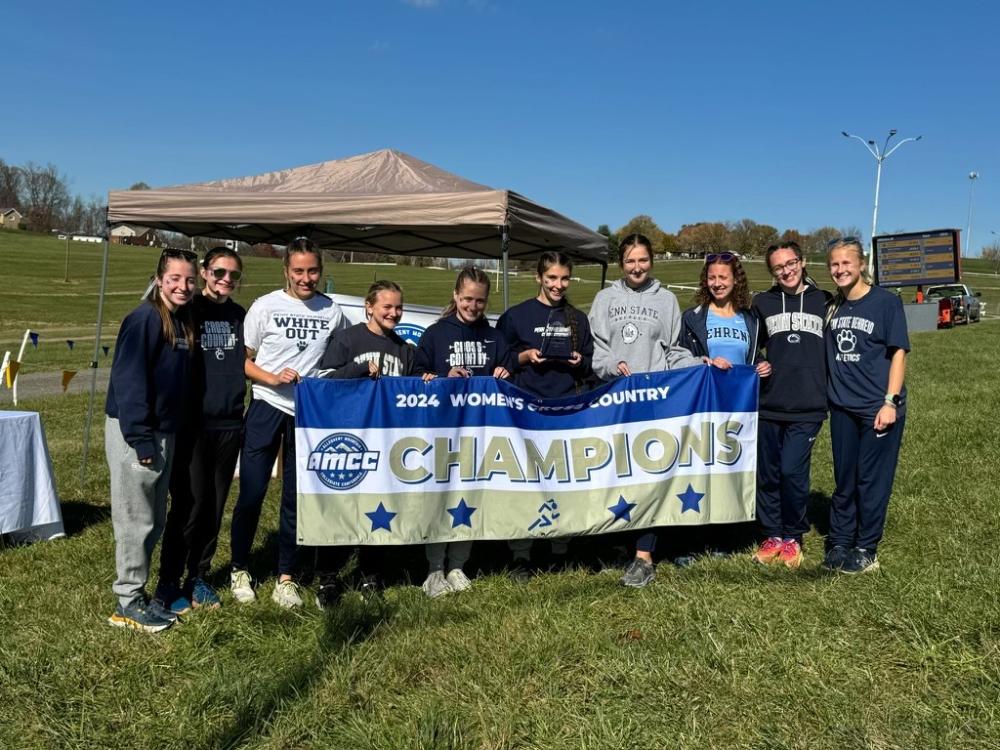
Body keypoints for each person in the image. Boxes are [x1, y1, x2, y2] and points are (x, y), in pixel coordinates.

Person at [229, 238, 347, 608]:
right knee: (251, 492)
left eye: (312, 270)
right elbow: (242, 361)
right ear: (286, 271)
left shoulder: (333, 311)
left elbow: (341, 362)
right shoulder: (265, 306)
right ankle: (239, 568)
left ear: (321, 272)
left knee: (295, 498)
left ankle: (286, 576)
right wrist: (271, 378)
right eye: (299, 270)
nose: (306, 277)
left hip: (309, 415)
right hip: (266, 405)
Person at [587, 233, 702, 588]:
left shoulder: (666, 300)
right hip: (615, 400)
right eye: (630, 261)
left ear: (651, 261)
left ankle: (644, 555)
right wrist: (612, 365)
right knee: (616, 473)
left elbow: (673, 352)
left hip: (654, 402)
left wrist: (700, 364)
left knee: (649, 474)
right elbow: (598, 352)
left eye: (642, 260)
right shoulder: (605, 299)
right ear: (621, 264)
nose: (637, 267)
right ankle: (614, 544)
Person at [314, 280, 432, 608]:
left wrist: (422, 382)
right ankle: (328, 578)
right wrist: (358, 369)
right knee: (341, 509)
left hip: (386, 441)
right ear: (369, 306)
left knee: (378, 510)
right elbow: (322, 383)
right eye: (387, 307)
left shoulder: (405, 349)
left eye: (398, 307)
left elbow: (411, 394)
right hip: (348, 439)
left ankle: (371, 576)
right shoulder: (346, 339)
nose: (394, 313)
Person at [105, 248, 198, 632]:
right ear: (159, 279)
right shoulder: (144, 318)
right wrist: (142, 439)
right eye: (175, 278)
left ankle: (138, 594)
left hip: (164, 433)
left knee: (153, 518)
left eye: (190, 279)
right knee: (135, 519)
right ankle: (127, 601)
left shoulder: (180, 321)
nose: (183, 286)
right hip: (139, 433)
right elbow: (130, 382)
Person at [154, 247, 247, 614]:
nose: (225, 280)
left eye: (233, 275)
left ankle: (199, 576)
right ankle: (168, 581)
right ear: (206, 273)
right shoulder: (188, 309)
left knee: (214, 506)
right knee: (188, 506)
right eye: (219, 272)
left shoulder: (240, 315)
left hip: (230, 424)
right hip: (193, 425)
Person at [415, 266, 512, 598]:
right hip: (441, 430)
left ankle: (457, 566)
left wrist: (505, 370)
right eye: (468, 299)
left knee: (468, 498)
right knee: (440, 497)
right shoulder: (435, 334)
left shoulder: (496, 337)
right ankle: (433, 570)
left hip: (480, 433)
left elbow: (508, 370)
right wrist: (441, 375)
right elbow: (416, 377)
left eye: (480, 301)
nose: (473, 306)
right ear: (456, 295)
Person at [497, 251, 595, 576]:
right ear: (539, 277)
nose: (558, 285)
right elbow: (501, 359)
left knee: (563, 482)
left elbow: (590, 366)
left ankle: (560, 550)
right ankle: (521, 554)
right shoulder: (516, 316)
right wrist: (524, 357)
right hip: (525, 411)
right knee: (526, 482)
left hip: (566, 409)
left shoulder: (577, 319)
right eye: (551, 278)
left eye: (564, 278)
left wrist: (579, 361)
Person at [679, 252, 771, 563]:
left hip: (739, 409)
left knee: (730, 470)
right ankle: (689, 541)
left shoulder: (750, 319)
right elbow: (680, 360)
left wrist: (762, 366)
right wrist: (702, 362)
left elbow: (754, 357)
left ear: (735, 280)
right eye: (712, 277)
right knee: (697, 471)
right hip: (703, 407)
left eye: (723, 277)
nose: (717, 283)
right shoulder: (693, 317)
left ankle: (724, 537)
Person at [823, 237, 909, 574]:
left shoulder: (887, 303)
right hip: (842, 407)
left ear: (861, 265)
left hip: (878, 407)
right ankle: (841, 540)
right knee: (845, 478)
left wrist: (890, 401)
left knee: (871, 480)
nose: (840, 270)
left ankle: (866, 547)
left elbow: (898, 353)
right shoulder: (833, 307)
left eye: (847, 263)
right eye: (834, 264)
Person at [749, 241, 831, 568]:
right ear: (772, 271)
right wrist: (758, 361)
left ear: (803, 261)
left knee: (791, 471)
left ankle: (793, 537)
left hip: (809, 404)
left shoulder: (823, 301)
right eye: (779, 266)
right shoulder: (763, 303)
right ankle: (772, 535)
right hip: (770, 402)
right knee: (768, 474)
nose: (787, 270)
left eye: (791, 262)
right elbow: (751, 346)